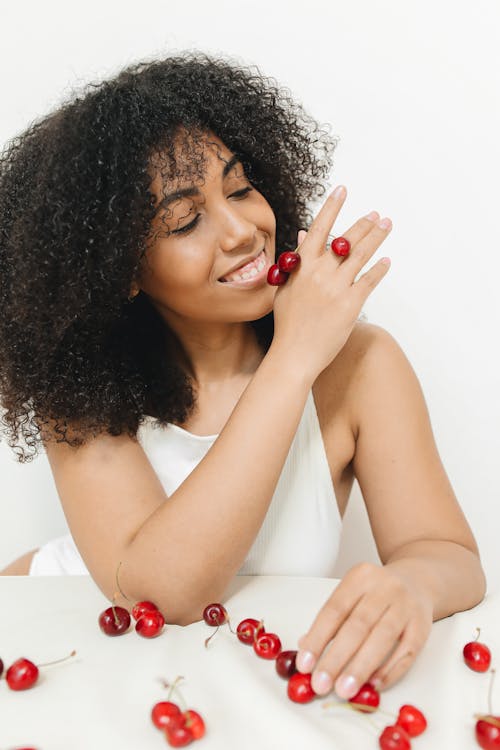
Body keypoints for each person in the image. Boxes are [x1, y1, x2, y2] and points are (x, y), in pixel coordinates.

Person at [0, 51, 486, 701]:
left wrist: (416, 584)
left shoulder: (361, 366)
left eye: (239, 189)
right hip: (55, 638)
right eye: (185, 220)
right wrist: (292, 358)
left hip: (216, 686)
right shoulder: (81, 392)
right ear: (124, 270)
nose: (242, 232)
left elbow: (447, 551)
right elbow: (162, 592)